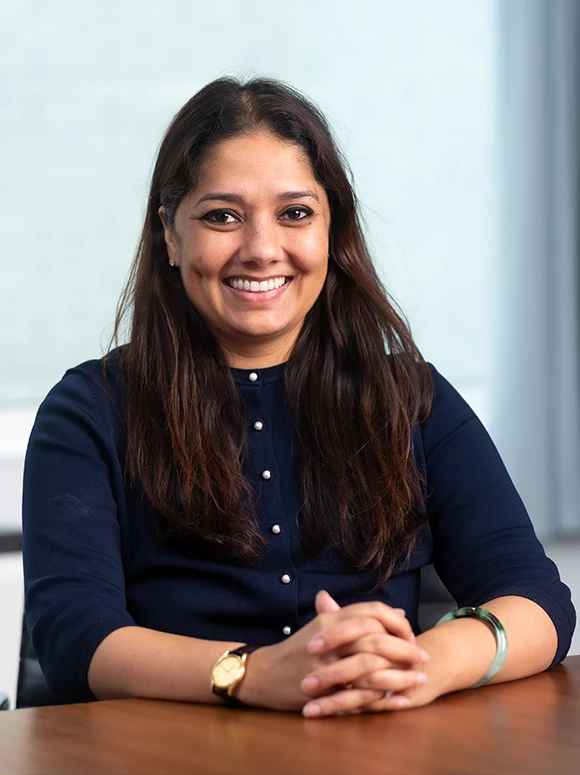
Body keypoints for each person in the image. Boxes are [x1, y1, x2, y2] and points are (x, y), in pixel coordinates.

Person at [22, 77, 575, 718]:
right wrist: (251, 673)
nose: (262, 249)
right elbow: (74, 639)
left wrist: (422, 665)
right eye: (222, 216)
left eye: (295, 213)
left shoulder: (413, 399)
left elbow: (537, 601)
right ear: (170, 236)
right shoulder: (91, 410)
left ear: (331, 232)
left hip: (371, 747)